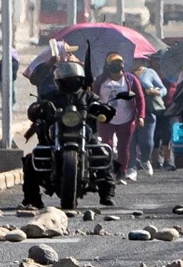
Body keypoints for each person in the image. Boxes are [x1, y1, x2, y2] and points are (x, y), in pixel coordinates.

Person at [21, 61, 117, 207]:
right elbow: (34, 109)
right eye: (67, 80)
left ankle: (107, 192)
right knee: (32, 158)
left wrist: (104, 109)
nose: (71, 83)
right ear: (60, 82)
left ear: (80, 80)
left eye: (75, 80)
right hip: (55, 136)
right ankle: (31, 196)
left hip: (85, 135)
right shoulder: (51, 95)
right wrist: (38, 107)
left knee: (103, 153)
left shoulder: (88, 96)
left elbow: (101, 106)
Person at [92, 53, 146, 182]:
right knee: (107, 145)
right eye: (113, 63)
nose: (117, 66)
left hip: (126, 118)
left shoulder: (131, 79)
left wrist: (141, 116)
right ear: (107, 66)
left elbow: (139, 98)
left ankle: (121, 172)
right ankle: (108, 170)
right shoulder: (100, 80)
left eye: (119, 63)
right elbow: (93, 97)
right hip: (106, 118)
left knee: (124, 146)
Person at [130, 57, 166, 177]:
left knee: (147, 142)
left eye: (138, 60)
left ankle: (145, 160)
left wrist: (157, 92)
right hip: (129, 110)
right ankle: (131, 167)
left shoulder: (150, 72)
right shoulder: (124, 73)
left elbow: (163, 89)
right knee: (130, 141)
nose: (135, 62)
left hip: (148, 111)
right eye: (133, 60)